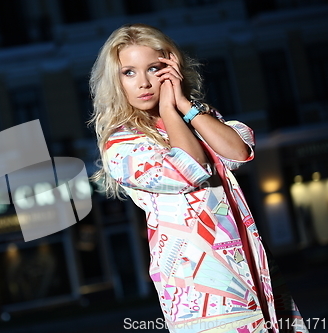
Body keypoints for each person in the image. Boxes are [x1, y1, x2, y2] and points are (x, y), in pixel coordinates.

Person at [89, 23, 308, 333]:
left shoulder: (194, 116)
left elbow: (239, 151)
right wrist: (168, 108)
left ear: (170, 68)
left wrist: (182, 107)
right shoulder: (122, 144)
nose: (144, 82)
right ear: (115, 80)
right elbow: (189, 168)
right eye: (129, 72)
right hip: (201, 288)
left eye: (153, 68)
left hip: (252, 268)